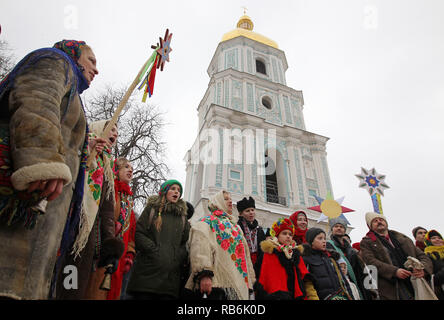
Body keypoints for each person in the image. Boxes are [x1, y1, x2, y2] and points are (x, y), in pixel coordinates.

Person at [0, 39, 97, 299]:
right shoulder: (54, 61)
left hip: (45, 211)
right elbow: (37, 101)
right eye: (91, 60)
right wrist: (43, 162)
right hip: (27, 199)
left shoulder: (72, 89)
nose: (96, 70)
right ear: (74, 55)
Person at [55, 119, 124, 299]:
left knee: (73, 284)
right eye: (111, 129)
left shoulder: (107, 165)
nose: (115, 134)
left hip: (87, 233)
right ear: (98, 129)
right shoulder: (79, 145)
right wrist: (85, 151)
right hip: (66, 220)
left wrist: (109, 240)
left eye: (117, 132)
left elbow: (107, 210)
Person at [185, 190, 256, 300]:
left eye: (231, 199)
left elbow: (245, 255)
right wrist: (204, 275)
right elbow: (200, 249)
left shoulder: (235, 227)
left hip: (237, 284)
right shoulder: (206, 222)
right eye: (226, 199)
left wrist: (249, 281)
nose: (230, 201)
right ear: (217, 202)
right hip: (215, 284)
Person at [127, 180, 190, 299]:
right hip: (146, 276)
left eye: (178, 190)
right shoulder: (152, 209)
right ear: (165, 191)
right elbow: (139, 233)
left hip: (169, 281)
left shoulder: (182, 216)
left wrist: (176, 256)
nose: (176, 191)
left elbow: (184, 242)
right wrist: (154, 251)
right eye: (173, 188)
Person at [360, 212, 433, 300]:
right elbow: (370, 261)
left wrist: (423, 270)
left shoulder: (402, 238)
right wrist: (394, 271)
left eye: (381, 220)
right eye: (375, 221)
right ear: (370, 226)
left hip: (415, 280)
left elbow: (422, 256)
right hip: (393, 286)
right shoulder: (367, 242)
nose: (379, 222)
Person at [254, 217, 318, 300]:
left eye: (290, 234)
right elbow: (267, 279)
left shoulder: (295, 253)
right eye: (284, 233)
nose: (288, 236)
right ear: (277, 235)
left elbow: (305, 278)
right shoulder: (270, 253)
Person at [106, 157, 137, 300]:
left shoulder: (129, 199)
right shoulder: (110, 190)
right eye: (126, 167)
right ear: (116, 171)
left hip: (121, 253)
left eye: (131, 168)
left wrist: (130, 253)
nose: (130, 170)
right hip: (106, 249)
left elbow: (131, 231)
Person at [300, 227, 353, 300]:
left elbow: (343, 281)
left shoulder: (330, 258)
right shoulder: (306, 259)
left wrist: (350, 296)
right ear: (311, 241)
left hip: (340, 296)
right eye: (320, 238)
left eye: (324, 238)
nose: (324, 241)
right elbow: (307, 284)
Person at [326, 217, 371, 300]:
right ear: (332, 229)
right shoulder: (329, 245)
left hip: (356, 281)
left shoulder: (350, 248)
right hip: (342, 283)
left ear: (345, 230)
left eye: (341, 227)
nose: (339, 228)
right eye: (336, 226)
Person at [236, 196, 266, 269]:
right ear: (241, 214)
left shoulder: (259, 229)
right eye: (247, 211)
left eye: (252, 210)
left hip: (258, 264)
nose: (251, 213)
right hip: (243, 263)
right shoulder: (237, 228)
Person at [423, 230, 444, 300]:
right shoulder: (426, 256)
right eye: (433, 238)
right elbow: (432, 279)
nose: (437, 240)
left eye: (439, 238)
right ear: (428, 241)